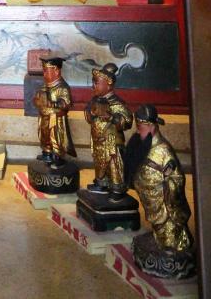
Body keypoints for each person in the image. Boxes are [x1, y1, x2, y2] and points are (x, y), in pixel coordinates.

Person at [125, 105, 194, 254]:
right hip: (151, 200)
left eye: (140, 127)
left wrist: (168, 184)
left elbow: (177, 178)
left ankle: (173, 245)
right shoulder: (145, 145)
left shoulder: (163, 150)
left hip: (164, 206)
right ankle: (159, 239)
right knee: (158, 228)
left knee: (168, 232)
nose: (137, 131)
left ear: (151, 127)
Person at [84, 62, 133, 197]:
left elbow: (127, 121)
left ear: (108, 84)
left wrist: (111, 117)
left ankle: (117, 188)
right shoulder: (94, 100)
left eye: (96, 83)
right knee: (99, 162)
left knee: (114, 165)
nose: (93, 86)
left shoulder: (117, 103)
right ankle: (101, 183)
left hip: (112, 142)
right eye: (93, 83)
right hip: (97, 140)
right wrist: (91, 113)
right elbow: (88, 114)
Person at [33, 54, 76, 165]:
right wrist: (38, 101)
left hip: (56, 118)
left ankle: (57, 155)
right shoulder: (45, 86)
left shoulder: (62, 87)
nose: (44, 74)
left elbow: (67, 103)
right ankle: (47, 152)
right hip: (44, 117)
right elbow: (36, 98)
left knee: (56, 137)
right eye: (44, 71)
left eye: (46, 71)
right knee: (44, 135)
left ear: (56, 71)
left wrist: (55, 104)